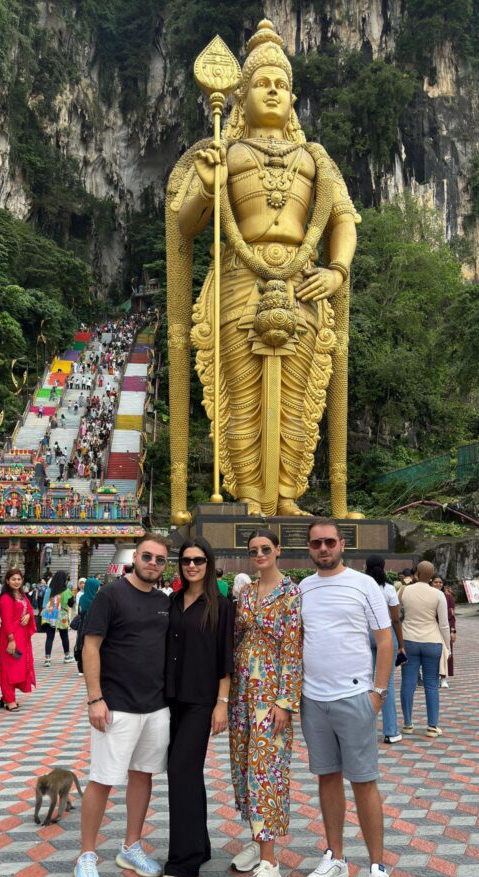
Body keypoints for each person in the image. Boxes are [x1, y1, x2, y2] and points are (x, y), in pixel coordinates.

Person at [166, 18, 358, 522]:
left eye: (281, 86)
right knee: (241, 393)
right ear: (240, 96)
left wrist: (336, 271)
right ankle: (250, 495)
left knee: (299, 396)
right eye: (261, 85)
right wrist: (208, 186)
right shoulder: (224, 152)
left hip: (303, 280)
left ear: (293, 99)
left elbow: (343, 219)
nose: (272, 92)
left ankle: (289, 495)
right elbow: (185, 223)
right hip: (239, 280)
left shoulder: (316, 158)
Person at [298, 519, 392, 877]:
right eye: (317, 543)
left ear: (342, 544)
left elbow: (385, 639)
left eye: (330, 542)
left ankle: (378, 868)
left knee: (364, 782)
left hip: (354, 696)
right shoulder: (303, 588)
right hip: (313, 698)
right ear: (309, 548)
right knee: (327, 777)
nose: (324, 548)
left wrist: (378, 694)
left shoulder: (364, 584)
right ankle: (335, 856)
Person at [74, 534, 172, 877]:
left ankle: (131, 846)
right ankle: (86, 855)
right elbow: (91, 645)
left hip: (156, 705)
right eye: (147, 556)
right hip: (115, 705)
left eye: (160, 560)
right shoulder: (111, 595)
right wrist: (94, 698)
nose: (152, 563)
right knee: (102, 778)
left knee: (143, 776)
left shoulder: (164, 601)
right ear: (135, 558)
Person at [230, 528, 302, 877]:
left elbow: (292, 649)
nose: (260, 554)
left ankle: (270, 862)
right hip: (242, 692)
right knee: (244, 767)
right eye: (253, 550)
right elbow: (237, 638)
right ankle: (257, 840)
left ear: (278, 550)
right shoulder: (244, 593)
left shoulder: (290, 593)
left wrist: (286, 702)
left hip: (270, 693)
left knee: (265, 769)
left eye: (265, 549)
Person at [160, 538, 233, 877]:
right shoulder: (172, 601)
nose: (192, 566)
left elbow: (226, 660)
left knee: (180, 770)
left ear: (209, 563)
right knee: (187, 773)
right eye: (187, 560)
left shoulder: (221, 606)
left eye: (199, 560)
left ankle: (183, 862)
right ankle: (199, 847)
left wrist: (222, 703)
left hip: (202, 700)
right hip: (170, 698)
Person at [399, 561, 450, 738]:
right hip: (432, 640)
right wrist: (447, 645)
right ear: (432, 574)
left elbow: (396, 615)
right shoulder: (438, 594)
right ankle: (432, 726)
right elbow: (444, 624)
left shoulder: (404, 591)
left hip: (409, 639)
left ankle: (407, 724)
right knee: (431, 684)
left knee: (408, 682)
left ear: (416, 573)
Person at [364, 555, 404, 744]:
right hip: (386, 635)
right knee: (385, 684)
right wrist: (401, 644)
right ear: (384, 566)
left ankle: (365, 730)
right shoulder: (389, 589)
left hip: (364, 635)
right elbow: (396, 619)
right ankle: (391, 730)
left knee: (365, 683)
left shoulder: (361, 587)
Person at [0, 567, 37, 711]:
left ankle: (6, 696)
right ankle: (9, 699)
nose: (16, 582)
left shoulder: (21, 595)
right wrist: (11, 639)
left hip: (22, 637)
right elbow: (6, 621)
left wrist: (28, 616)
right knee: (9, 668)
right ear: (7, 581)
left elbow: (30, 610)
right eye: (13, 579)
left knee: (19, 666)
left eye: (19, 579)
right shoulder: (6, 598)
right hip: (10, 637)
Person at [41, 570, 74, 666]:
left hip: (50, 614)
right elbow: (71, 604)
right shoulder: (67, 591)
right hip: (62, 615)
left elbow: (44, 604)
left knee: (50, 637)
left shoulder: (49, 590)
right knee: (64, 636)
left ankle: (47, 659)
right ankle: (67, 656)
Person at [431, 575, 456, 687]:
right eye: (436, 582)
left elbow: (452, 616)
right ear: (431, 582)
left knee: (447, 652)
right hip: (431, 628)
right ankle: (434, 677)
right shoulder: (428, 595)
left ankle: (444, 678)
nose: (438, 584)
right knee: (433, 654)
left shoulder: (448, 597)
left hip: (445, 628)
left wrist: (453, 631)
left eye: (440, 582)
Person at [74, 577, 100, 676]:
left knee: (81, 645)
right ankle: (93, 668)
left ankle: (81, 669)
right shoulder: (97, 599)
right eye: (97, 587)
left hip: (82, 626)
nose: (98, 589)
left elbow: (79, 612)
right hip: (94, 626)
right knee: (94, 646)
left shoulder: (82, 598)